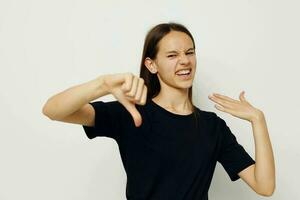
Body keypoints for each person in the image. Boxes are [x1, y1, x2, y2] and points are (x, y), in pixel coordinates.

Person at [42, 22, 275, 199]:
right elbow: (53, 110)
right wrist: (102, 85)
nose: (184, 61)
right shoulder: (131, 112)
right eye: (172, 55)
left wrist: (258, 119)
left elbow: (264, 186)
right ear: (151, 65)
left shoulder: (212, 126)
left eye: (189, 52)